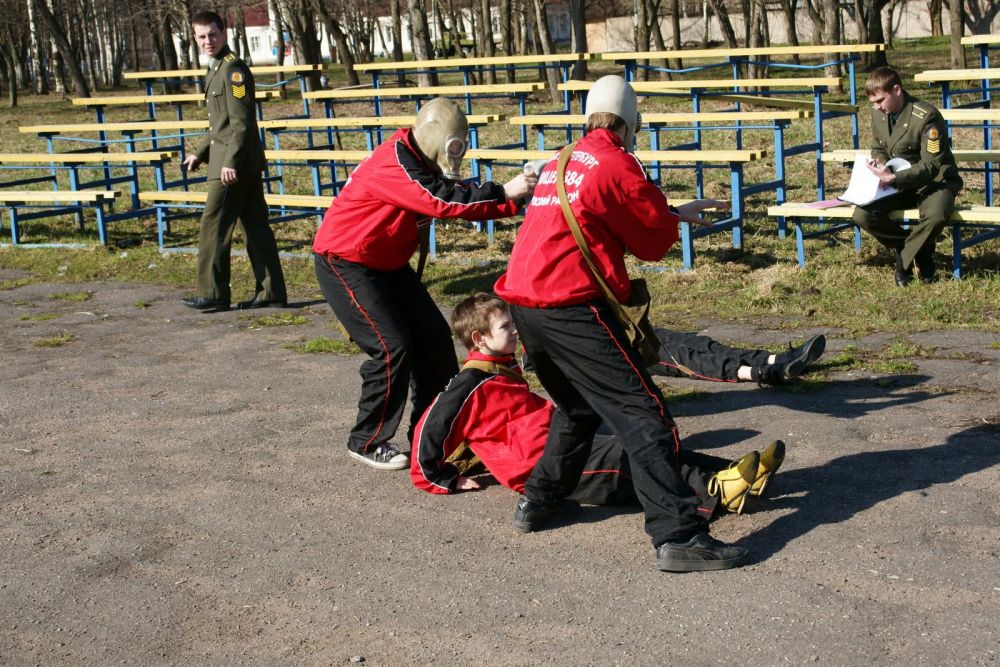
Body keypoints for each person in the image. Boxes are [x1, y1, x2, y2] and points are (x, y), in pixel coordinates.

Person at [494, 74, 750, 572]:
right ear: (631, 122)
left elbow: (602, 209)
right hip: (569, 307)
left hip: (526, 307)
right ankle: (678, 534)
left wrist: (670, 212)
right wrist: (671, 218)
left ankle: (540, 499)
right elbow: (650, 241)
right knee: (644, 415)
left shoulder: (562, 159)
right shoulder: (617, 161)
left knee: (577, 408)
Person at [411, 293, 785, 524]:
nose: (517, 330)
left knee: (644, 446)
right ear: (479, 339)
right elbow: (429, 430)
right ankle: (719, 490)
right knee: (629, 461)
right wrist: (441, 478)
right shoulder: (469, 384)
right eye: (507, 326)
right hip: (541, 464)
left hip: (557, 443)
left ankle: (734, 471)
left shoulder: (501, 368)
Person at [313, 97, 537, 471]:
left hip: (385, 263)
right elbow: (443, 200)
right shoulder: (397, 162)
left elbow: (455, 195)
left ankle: (430, 433)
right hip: (345, 261)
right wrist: (503, 192)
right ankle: (366, 440)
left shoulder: (419, 162)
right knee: (392, 347)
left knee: (434, 340)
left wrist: (517, 197)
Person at [180, 11, 287, 312]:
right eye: (202, 36)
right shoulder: (217, 68)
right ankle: (271, 292)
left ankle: (212, 292)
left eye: (212, 34)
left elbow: (242, 122)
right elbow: (220, 124)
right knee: (255, 227)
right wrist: (200, 153)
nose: (208, 41)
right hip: (238, 161)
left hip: (232, 165)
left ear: (223, 33)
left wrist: (231, 162)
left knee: (213, 223)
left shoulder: (232, 70)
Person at [853, 66, 963, 286]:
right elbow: (879, 146)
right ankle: (918, 249)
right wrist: (880, 163)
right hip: (898, 181)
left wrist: (893, 178)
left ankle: (903, 260)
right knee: (862, 215)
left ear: (897, 90)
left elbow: (931, 165)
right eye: (873, 102)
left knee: (936, 216)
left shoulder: (926, 116)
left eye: (880, 100)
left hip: (934, 182)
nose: (877, 106)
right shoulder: (878, 113)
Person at [650, 329, 825, 386]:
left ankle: (776, 359)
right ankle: (762, 373)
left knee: (699, 343)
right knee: (677, 355)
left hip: (637, 327)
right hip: (632, 351)